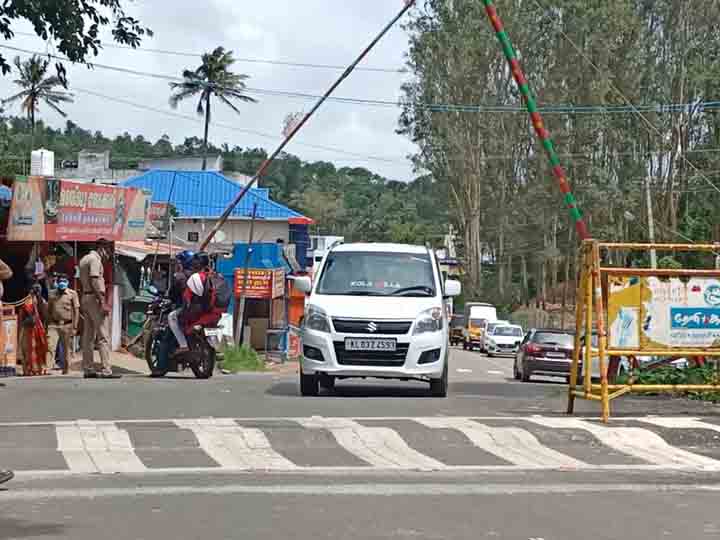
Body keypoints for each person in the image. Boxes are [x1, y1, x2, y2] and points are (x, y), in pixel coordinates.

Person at [79, 239, 119, 379]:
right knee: (103, 335)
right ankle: (106, 369)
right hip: (95, 299)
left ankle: (88, 368)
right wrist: (102, 301)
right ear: (101, 248)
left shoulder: (84, 259)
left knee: (88, 337)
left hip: (85, 297)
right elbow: (95, 279)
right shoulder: (95, 260)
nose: (108, 253)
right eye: (107, 250)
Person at [168, 252, 223, 354]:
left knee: (172, 316)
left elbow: (186, 297)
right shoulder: (217, 276)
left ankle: (183, 345)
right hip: (216, 312)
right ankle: (216, 347)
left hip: (197, 311)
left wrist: (184, 307)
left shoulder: (193, 277)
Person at [46, 274, 80, 374]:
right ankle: (48, 368)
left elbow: (76, 311)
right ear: (57, 282)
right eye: (60, 281)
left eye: (64, 281)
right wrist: (47, 322)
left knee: (66, 349)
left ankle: (66, 369)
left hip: (67, 324)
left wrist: (75, 327)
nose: (62, 283)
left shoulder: (72, 294)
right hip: (53, 324)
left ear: (68, 282)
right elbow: (49, 309)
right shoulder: (52, 293)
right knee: (50, 346)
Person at [19, 284, 48, 376]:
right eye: (35, 289)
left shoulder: (41, 300)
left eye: (38, 290)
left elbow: (45, 313)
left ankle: (39, 369)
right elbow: (23, 314)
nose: (36, 291)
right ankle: (29, 369)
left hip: (39, 327)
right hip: (29, 328)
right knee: (29, 348)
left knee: (41, 346)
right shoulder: (28, 300)